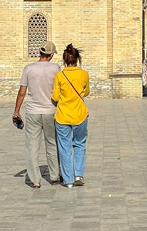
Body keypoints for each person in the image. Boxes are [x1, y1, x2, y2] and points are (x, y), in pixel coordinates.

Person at [13, 41, 61, 188]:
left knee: (32, 146)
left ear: (40, 53)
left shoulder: (29, 68)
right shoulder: (55, 68)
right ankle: (54, 175)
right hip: (50, 111)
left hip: (33, 112)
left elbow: (22, 92)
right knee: (52, 143)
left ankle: (35, 180)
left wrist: (16, 111)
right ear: (51, 54)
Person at [52, 44, 90, 189]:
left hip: (62, 115)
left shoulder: (60, 75)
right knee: (79, 143)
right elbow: (86, 92)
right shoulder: (84, 74)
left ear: (64, 60)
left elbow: (55, 96)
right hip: (80, 114)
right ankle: (78, 174)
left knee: (65, 147)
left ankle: (68, 180)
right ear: (77, 59)